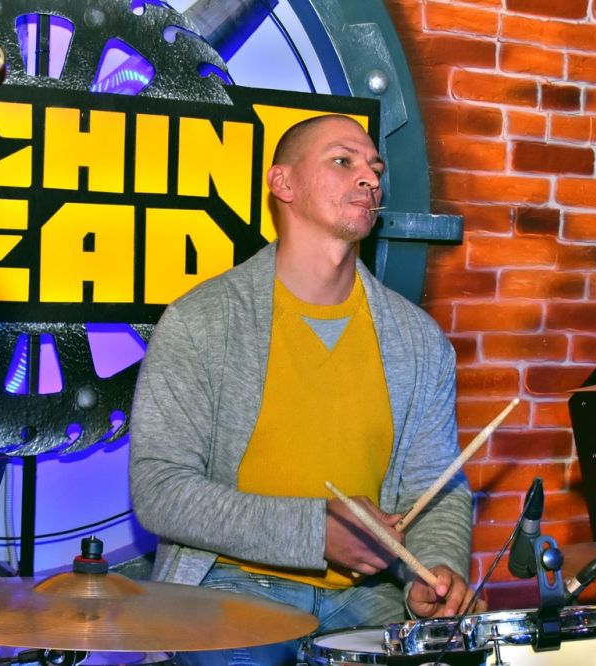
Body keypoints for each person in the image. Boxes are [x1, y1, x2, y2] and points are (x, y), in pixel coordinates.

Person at [129, 114, 477, 665]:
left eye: (375, 168)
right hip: (230, 584)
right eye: (343, 161)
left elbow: (436, 489)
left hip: (368, 596)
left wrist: (436, 568)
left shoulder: (418, 340)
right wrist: (314, 532)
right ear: (283, 183)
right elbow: (160, 489)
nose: (370, 178)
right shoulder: (201, 321)